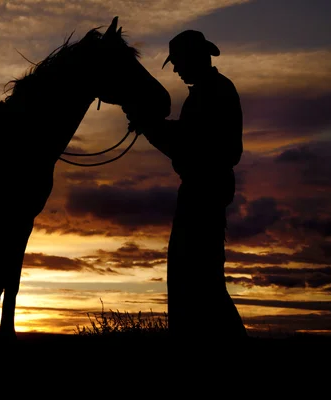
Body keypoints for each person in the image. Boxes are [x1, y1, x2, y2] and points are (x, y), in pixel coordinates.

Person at [123, 30, 248, 340]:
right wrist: (154, 128)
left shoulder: (211, 93)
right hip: (205, 191)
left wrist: (150, 127)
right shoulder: (212, 90)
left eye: (178, 62)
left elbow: (188, 144)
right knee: (202, 283)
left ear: (193, 57)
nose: (176, 69)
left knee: (194, 282)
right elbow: (188, 138)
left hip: (201, 194)